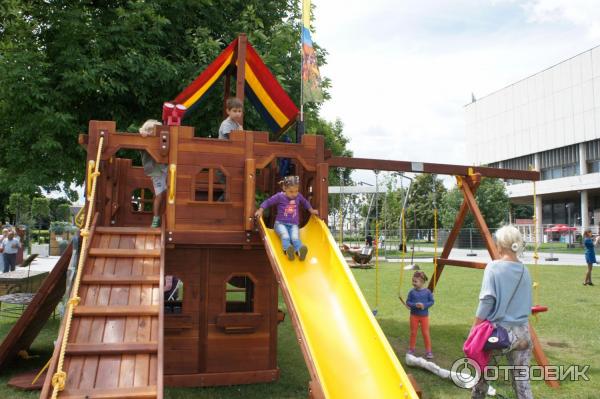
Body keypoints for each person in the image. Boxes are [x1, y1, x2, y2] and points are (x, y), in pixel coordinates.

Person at [471, 225, 533, 399]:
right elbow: (527, 304)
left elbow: (486, 301)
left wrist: (474, 328)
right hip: (522, 332)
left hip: (497, 333)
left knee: (482, 377)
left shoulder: (493, 267)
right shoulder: (525, 271)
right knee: (522, 383)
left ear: (500, 244)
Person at [255, 176, 319, 261]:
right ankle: (288, 250)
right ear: (284, 188)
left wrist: (311, 210)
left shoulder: (298, 196)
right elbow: (268, 202)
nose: (294, 194)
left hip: (293, 225)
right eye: (291, 191)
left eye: (296, 191)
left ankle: (299, 251)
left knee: (295, 237)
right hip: (280, 224)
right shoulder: (279, 196)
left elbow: (305, 202)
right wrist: (261, 210)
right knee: (285, 236)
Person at [139, 119, 168, 228]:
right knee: (159, 195)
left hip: (163, 167)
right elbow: (136, 131)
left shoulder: (160, 140)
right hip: (155, 170)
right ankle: (156, 218)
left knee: (166, 192)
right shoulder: (144, 139)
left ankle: (162, 215)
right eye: (154, 131)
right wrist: (143, 132)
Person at [406, 269, 434, 359]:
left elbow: (432, 302)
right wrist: (415, 305)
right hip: (413, 316)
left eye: (415, 281)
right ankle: (411, 349)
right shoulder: (412, 292)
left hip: (424, 317)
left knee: (425, 333)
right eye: (413, 281)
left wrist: (424, 305)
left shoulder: (427, 292)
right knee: (413, 332)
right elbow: (408, 302)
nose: (413, 283)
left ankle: (428, 351)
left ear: (422, 282)